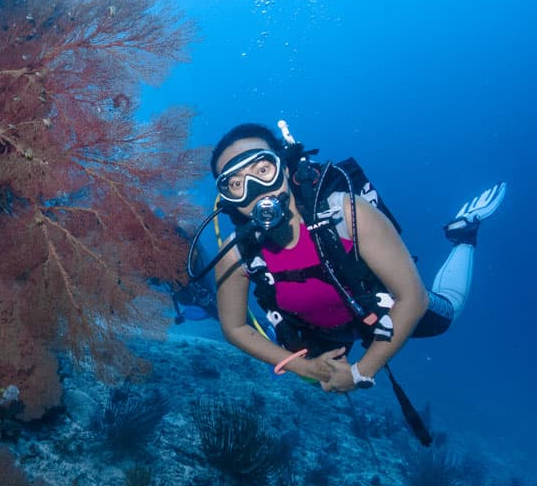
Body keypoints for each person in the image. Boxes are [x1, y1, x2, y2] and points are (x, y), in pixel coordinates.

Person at [189, 121, 505, 442]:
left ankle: (463, 234)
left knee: (447, 312)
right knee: (318, 378)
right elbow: (234, 327)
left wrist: (359, 373)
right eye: (235, 184)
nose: (255, 188)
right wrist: (302, 368)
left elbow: (413, 298)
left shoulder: (346, 212)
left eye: (262, 168)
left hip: (382, 308)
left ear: (283, 166)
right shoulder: (237, 253)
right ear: (226, 198)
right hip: (318, 330)